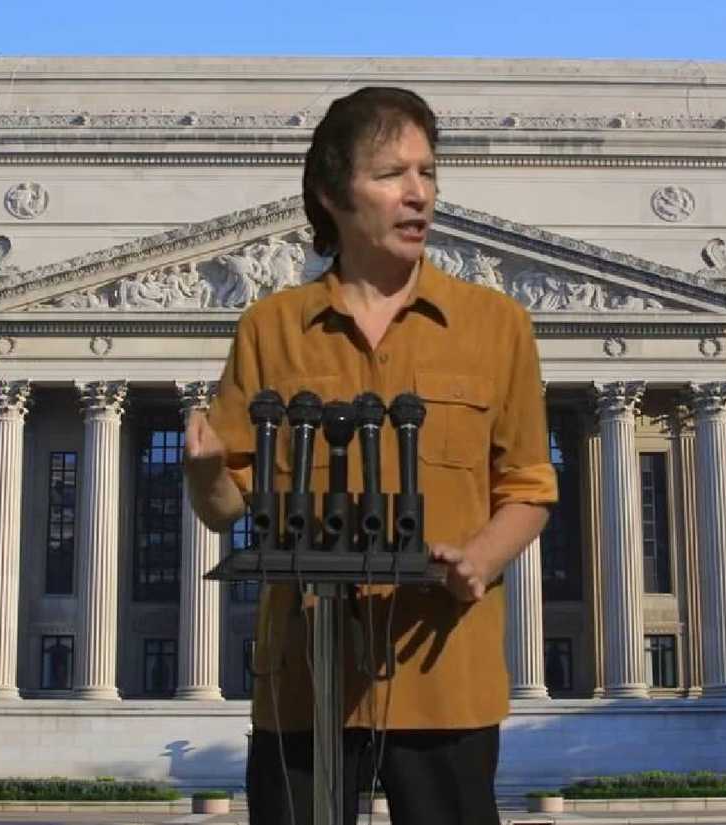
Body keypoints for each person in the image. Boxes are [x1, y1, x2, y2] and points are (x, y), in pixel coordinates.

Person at [183, 87, 557, 825]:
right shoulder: (271, 328)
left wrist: (481, 557)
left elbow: (529, 487)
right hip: (304, 679)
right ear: (330, 193)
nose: (417, 194)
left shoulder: (496, 325)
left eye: (428, 173)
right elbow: (231, 504)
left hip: (443, 668)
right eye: (391, 174)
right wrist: (203, 472)